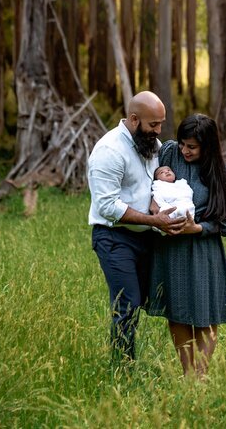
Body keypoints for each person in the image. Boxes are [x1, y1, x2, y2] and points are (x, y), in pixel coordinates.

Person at [87, 91, 186, 361]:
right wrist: (154, 220)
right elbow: (107, 207)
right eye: (153, 124)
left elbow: (153, 181)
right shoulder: (109, 151)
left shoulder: (149, 144)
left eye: (161, 124)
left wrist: (155, 202)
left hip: (146, 238)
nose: (159, 131)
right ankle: (122, 369)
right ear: (133, 119)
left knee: (146, 300)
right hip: (114, 238)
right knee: (127, 302)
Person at [148, 114, 226, 377]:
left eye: (192, 146)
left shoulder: (225, 175)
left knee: (205, 311)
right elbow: (149, 181)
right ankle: (188, 373)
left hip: (204, 249)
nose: (184, 150)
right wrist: (153, 206)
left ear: (208, 146)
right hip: (172, 248)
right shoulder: (169, 155)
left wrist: (198, 228)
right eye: (182, 144)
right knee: (177, 310)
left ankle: (200, 374)